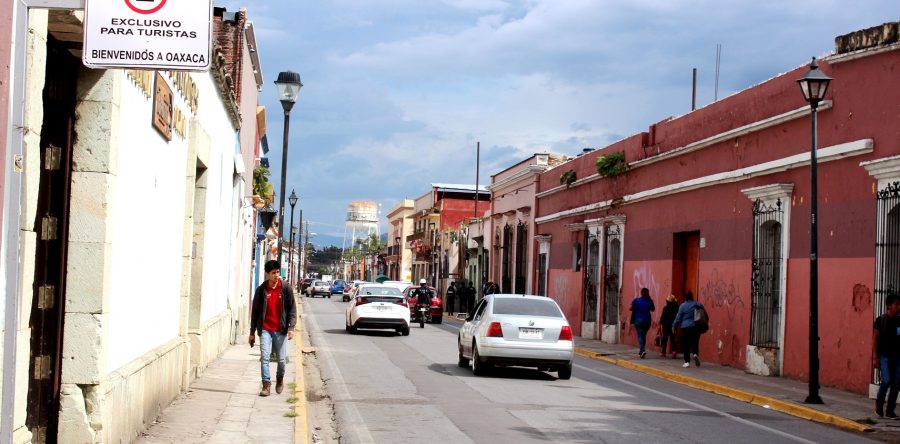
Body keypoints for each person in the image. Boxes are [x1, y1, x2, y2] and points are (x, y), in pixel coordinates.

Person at [250, 260, 297, 397]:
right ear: (267, 274)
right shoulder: (261, 290)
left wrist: (291, 327)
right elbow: (255, 312)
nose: (277, 275)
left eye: (277, 272)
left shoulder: (286, 288)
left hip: (280, 330)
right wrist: (252, 332)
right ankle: (266, 384)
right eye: (273, 273)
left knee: (281, 360)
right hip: (265, 329)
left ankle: (280, 379)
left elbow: (292, 309)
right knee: (265, 357)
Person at [873, 293, 900, 418]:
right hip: (884, 356)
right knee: (887, 380)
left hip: (897, 356)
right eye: (896, 304)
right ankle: (879, 404)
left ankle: (890, 409)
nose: (899, 307)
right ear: (889, 305)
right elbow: (875, 339)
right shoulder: (880, 320)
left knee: (896, 383)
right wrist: (875, 357)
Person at [672, 291, 704, 368]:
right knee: (695, 342)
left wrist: (674, 326)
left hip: (685, 327)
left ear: (685, 297)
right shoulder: (698, 304)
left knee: (686, 344)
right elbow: (704, 313)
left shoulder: (682, 306)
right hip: (695, 326)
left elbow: (678, 317)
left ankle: (687, 362)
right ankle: (695, 354)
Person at [629, 288, 655, 358]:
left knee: (640, 335)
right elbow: (653, 309)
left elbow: (631, 308)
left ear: (641, 293)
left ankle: (642, 350)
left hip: (638, 320)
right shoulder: (650, 301)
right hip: (647, 320)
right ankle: (641, 351)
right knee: (643, 335)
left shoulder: (636, 301)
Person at [659, 294, 679, 358]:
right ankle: (674, 351)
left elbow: (662, 317)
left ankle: (663, 352)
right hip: (673, 325)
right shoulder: (676, 309)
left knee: (665, 339)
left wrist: (660, 324)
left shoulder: (665, 308)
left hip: (665, 325)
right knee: (673, 338)